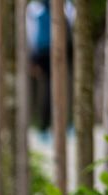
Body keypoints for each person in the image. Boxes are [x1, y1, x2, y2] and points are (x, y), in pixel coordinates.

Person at [26, 0, 75, 134]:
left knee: (47, 88)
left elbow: (31, 33)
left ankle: (45, 125)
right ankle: (66, 122)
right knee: (65, 86)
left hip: (43, 52)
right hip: (64, 49)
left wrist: (33, 58)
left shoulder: (34, 7)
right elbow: (73, 22)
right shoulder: (67, 4)